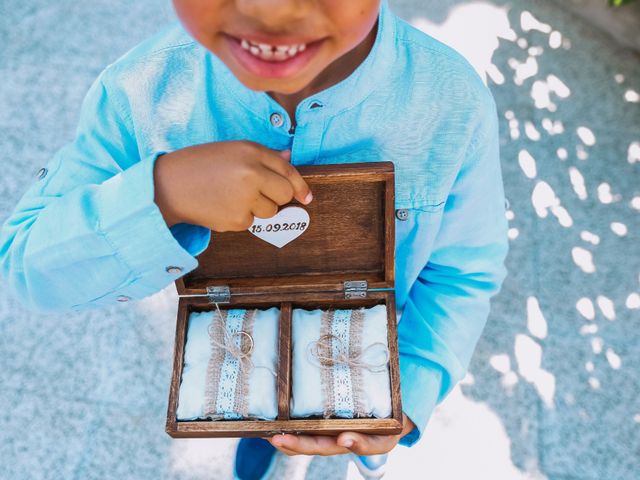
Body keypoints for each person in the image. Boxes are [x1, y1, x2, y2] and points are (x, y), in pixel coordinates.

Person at [0, 0, 509, 478]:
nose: (270, 11)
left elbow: (463, 273)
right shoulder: (137, 92)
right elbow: (26, 267)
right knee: (258, 403)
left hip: (366, 357)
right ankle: (260, 431)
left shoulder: (454, 102)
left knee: (317, 412)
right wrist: (163, 193)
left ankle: (292, 432)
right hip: (229, 338)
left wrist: (409, 397)